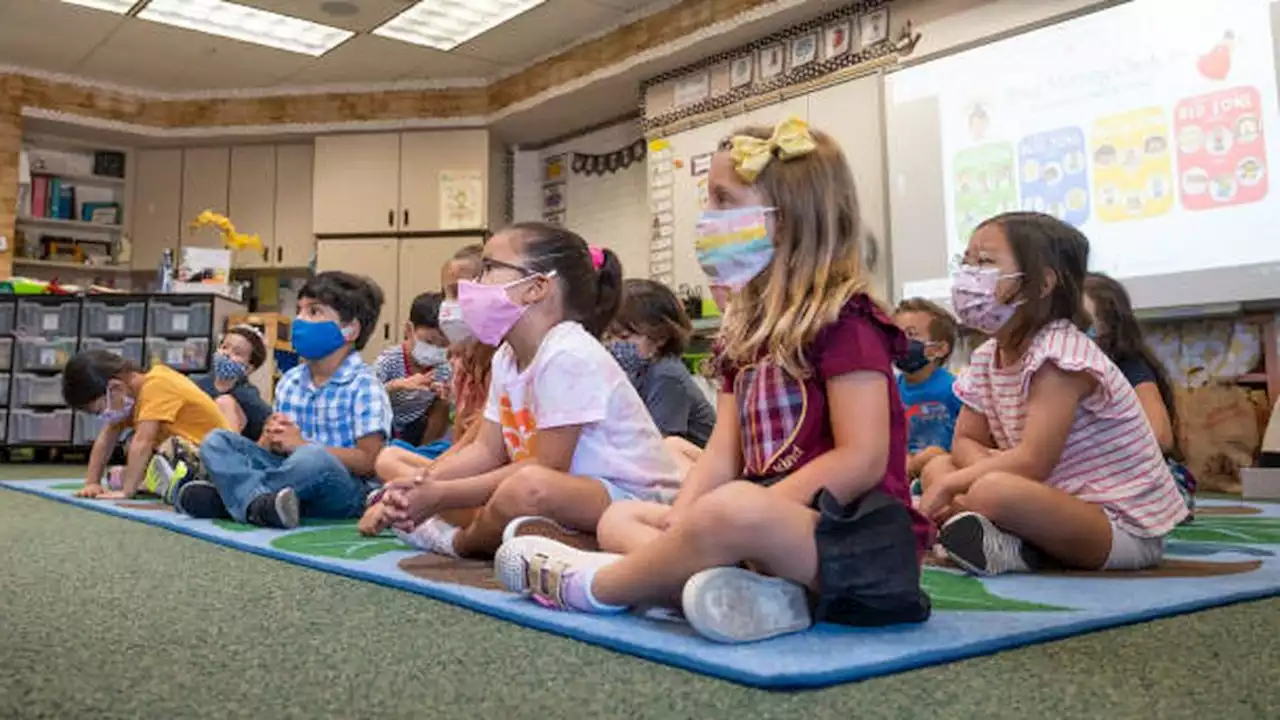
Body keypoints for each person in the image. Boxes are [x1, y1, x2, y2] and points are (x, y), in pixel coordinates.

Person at [493, 117, 931, 644]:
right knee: (622, 519)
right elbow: (723, 453)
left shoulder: (847, 321)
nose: (708, 218)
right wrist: (683, 518)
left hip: (859, 548)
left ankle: (601, 586)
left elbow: (860, 460)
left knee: (731, 510)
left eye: (723, 201)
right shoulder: (743, 337)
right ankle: (746, 593)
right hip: (758, 535)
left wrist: (749, 513)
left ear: (789, 217)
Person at [378, 223, 683, 558]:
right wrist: (420, 485)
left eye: (489, 269)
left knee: (526, 486)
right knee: (423, 473)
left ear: (536, 287)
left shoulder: (567, 351)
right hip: (571, 495)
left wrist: (442, 495)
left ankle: (459, 543)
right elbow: (485, 451)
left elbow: (548, 468)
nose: (473, 286)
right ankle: (559, 540)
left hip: (633, 499)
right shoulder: (508, 356)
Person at [918, 212, 1188, 576]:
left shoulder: (1060, 356)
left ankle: (1004, 538)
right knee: (938, 467)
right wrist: (965, 472)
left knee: (988, 489)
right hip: (1047, 497)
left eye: (985, 263)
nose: (969, 276)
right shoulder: (986, 356)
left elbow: (1033, 461)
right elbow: (965, 438)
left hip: (1119, 526)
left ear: (1042, 284)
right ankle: (1006, 543)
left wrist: (961, 483)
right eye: (967, 262)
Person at [182, 272, 393, 529]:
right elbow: (266, 451)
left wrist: (301, 444)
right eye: (299, 311)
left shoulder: (365, 385)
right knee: (217, 440)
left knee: (311, 457)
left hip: (342, 489)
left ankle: (236, 499)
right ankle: (261, 504)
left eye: (314, 312)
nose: (300, 320)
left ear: (350, 330)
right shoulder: (290, 381)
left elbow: (369, 461)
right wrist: (270, 439)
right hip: (289, 476)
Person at [1083, 272, 1195, 517]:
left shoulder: (1128, 366)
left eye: (1081, 324)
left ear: (1109, 330)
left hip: (1138, 480)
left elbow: (1161, 436)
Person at [61, 349, 229, 501]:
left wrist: (127, 492)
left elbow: (143, 443)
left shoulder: (156, 385)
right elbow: (106, 438)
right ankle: (153, 481)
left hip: (215, 459)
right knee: (132, 446)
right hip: (192, 456)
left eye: (100, 410)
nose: (105, 415)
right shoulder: (128, 396)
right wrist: (92, 482)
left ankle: (186, 487)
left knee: (151, 447)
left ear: (115, 387)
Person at [607, 278, 716, 449]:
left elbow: (658, 450)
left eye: (624, 337)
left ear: (661, 337)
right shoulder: (639, 370)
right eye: (609, 337)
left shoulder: (666, 375)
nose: (615, 345)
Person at [893, 298, 963, 480]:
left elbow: (972, 437)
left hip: (945, 467)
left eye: (910, 334)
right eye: (895, 334)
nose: (899, 342)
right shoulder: (890, 389)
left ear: (938, 349)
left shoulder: (956, 389)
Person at [375, 292, 451, 446]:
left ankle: (426, 452)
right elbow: (367, 396)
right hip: (388, 422)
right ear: (409, 330)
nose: (435, 349)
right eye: (428, 341)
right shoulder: (389, 360)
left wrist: (444, 392)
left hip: (417, 424)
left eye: (442, 345)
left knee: (443, 405)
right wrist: (395, 386)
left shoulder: (443, 367)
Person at [195, 324, 271, 441]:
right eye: (224, 347)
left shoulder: (248, 396)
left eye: (237, 353)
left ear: (248, 368)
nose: (227, 354)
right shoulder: (200, 385)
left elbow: (268, 423)